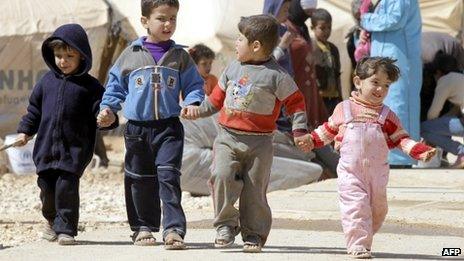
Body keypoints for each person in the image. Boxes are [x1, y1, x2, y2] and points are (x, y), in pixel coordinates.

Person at [182, 14, 309, 253]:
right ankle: (225, 225)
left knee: (254, 188)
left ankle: (254, 233)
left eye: (240, 39)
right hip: (227, 138)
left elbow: (296, 104)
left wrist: (299, 130)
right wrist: (196, 111)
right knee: (221, 175)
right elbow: (214, 102)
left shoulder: (277, 76)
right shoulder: (232, 68)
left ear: (256, 46)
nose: (236, 43)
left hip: (260, 144)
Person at [302, 57, 436, 258]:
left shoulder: (386, 115)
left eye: (386, 85)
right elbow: (327, 130)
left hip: (378, 175)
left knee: (378, 209)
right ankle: (358, 244)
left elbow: (401, 138)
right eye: (375, 82)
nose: (380, 89)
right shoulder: (344, 109)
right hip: (350, 172)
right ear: (358, 82)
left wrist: (419, 150)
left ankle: (363, 233)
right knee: (356, 207)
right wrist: (311, 140)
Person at [97, 0, 204, 249]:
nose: (168, 24)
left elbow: (194, 85)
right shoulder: (130, 55)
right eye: (162, 18)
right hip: (136, 129)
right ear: (145, 21)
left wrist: (193, 101)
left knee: (168, 176)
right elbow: (114, 86)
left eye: (173, 18)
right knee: (139, 178)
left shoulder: (180, 56)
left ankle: (173, 229)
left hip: (168, 128)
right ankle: (143, 227)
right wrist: (108, 110)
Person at [15, 24, 111, 245]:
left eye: (69, 55)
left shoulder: (91, 87)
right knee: (47, 191)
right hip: (46, 151)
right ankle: (50, 220)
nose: (63, 61)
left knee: (66, 190)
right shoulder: (45, 83)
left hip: (73, 152)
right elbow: (34, 111)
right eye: (58, 55)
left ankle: (66, 228)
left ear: (82, 56)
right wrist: (25, 131)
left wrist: (106, 118)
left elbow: (102, 113)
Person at [264, 0, 340, 180]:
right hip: (279, 111)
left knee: (323, 149)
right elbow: (262, 69)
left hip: (301, 98)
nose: (287, 11)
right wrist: (282, 47)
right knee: (308, 158)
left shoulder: (297, 30)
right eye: (284, 7)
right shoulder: (266, 35)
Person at [360, 0, 423, 166]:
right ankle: (388, 155)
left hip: (400, 61)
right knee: (382, 108)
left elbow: (394, 19)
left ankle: (401, 157)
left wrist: (365, 20)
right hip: (384, 62)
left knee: (399, 108)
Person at [421, 53, 464, 168]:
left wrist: (430, 136)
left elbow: (433, 113)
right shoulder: (460, 78)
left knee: (423, 128)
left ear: (438, 72)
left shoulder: (445, 80)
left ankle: (461, 152)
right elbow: (455, 112)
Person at [311, 8, 342, 114]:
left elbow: (337, 74)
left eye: (329, 27)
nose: (326, 31)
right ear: (313, 28)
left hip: (334, 98)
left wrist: (340, 98)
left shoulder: (333, 49)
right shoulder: (311, 48)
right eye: (322, 28)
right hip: (319, 98)